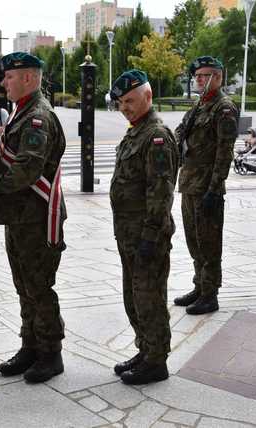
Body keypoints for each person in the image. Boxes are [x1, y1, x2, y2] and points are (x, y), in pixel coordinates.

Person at [0, 52, 67, 383]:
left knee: (39, 286)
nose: (4, 82)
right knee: (24, 285)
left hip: (36, 216)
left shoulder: (38, 116)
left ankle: (50, 353)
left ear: (30, 78)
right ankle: (30, 346)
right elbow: (16, 157)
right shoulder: (23, 113)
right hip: (20, 216)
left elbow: (28, 169)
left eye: (10, 77)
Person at [109, 70, 179, 385]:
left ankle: (156, 360)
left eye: (130, 101)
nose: (125, 107)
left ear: (147, 97)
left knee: (149, 297)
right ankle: (145, 349)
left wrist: (151, 237)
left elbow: (161, 193)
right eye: (121, 102)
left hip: (146, 235)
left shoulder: (157, 136)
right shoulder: (136, 131)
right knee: (133, 296)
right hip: (128, 234)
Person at [173, 56, 239, 315]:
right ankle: (199, 285)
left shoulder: (223, 108)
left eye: (205, 75)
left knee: (209, 243)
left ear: (219, 77)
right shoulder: (199, 106)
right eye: (197, 76)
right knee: (194, 241)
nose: (200, 80)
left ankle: (210, 294)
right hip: (189, 184)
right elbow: (180, 132)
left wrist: (215, 188)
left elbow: (225, 152)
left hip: (207, 188)